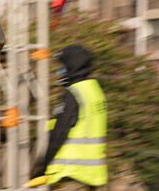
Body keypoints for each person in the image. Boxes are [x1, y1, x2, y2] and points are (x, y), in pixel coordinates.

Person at [31, 44, 107, 189]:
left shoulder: (73, 93)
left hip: (70, 174)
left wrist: (43, 165)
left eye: (63, 66)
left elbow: (60, 133)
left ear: (72, 65)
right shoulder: (95, 91)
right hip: (93, 176)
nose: (60, 70)